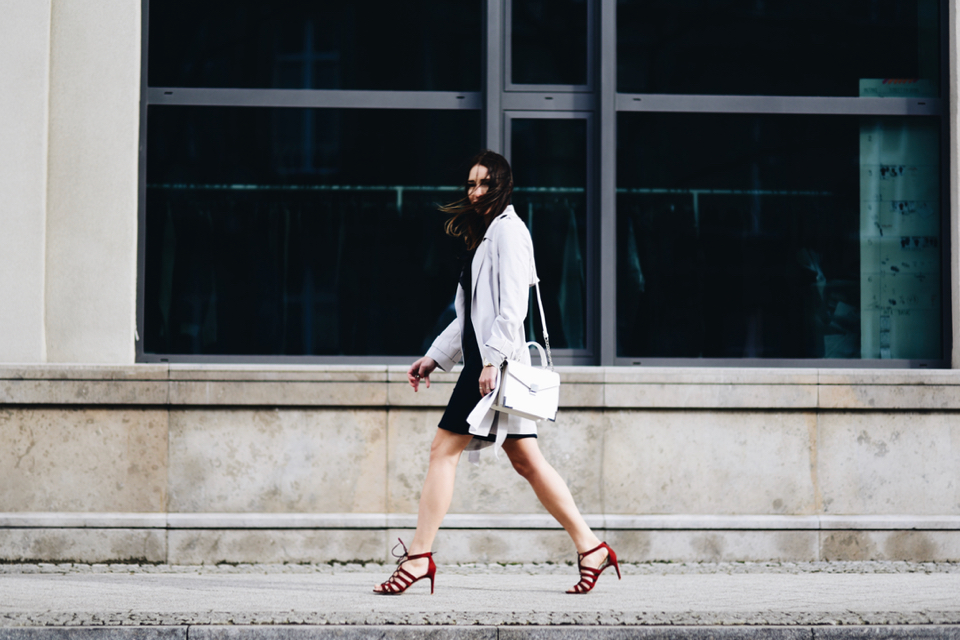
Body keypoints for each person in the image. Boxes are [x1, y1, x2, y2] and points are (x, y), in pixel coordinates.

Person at [373, 150, 619, 596]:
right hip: (486, 365)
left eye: (485, 183)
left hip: (493, 369)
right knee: (527, 460)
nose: (475, 191)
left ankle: (417, 557)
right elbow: (469, 316)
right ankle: (592, 548)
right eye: (470, 184)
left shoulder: (509, 232)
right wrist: (434, 356)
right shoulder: (486, 237)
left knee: (441, 452)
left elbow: (511, 308)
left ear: (503, 185)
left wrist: (490, 362)